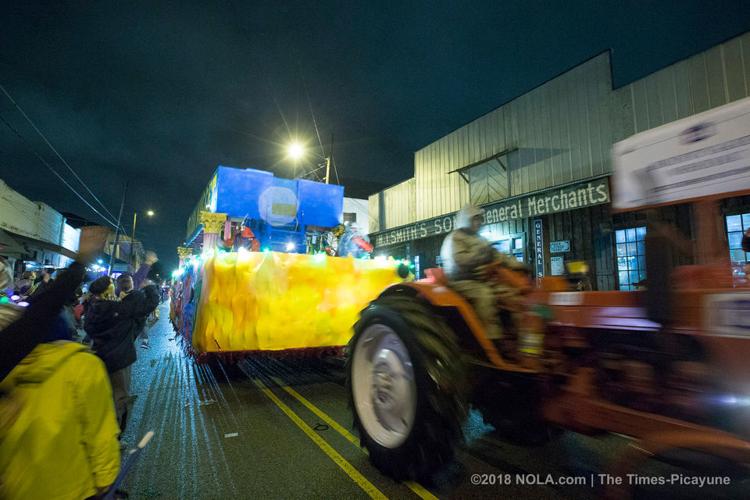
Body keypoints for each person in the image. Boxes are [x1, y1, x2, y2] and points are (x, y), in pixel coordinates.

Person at [440, 205, 526, 354]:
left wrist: (519, 265)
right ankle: (493, 341)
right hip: (462, 281)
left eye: (480, 219)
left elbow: (499, 256)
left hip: (481, 280)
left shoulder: (481, 239)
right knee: (485, 295)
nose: (479, 222)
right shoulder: (455, 238)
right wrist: (479, 253)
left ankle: (519, 338)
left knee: (510, 295)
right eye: (475, 219)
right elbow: (460, 260)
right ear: (465, 220)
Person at [85, 275, 160, 433]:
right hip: (119, 360)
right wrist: (150, 287)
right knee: (120, 397)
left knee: (104, 395)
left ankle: (99, 429)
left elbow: (89, 330)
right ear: (109, 290)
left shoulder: (92, 309)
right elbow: (150, 304)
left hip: (99, 357)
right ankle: (115, 434)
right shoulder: (118, 309)